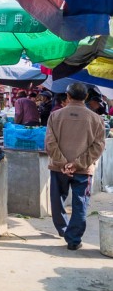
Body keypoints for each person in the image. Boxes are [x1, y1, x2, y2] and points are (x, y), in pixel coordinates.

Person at [45, 82, 105, 251]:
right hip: (83, 169)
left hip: (58, 167)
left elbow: (50, 143)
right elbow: (98, 146)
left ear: (68, 96)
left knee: (57, 200)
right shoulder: (96, 118)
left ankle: (63, 230)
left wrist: (64, 163)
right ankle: (73, 239)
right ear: (86, 97)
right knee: (80, 204)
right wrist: (77, 164)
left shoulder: (55, 116)